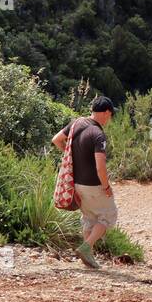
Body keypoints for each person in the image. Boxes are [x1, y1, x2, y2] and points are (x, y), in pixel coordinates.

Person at [52, 96, 116, 269]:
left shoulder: (77, 123)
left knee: (89, 218)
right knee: (108, 215)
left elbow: (57, 139)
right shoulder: (98, 134)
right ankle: (86, 247)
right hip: (94, 184)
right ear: (106, 113)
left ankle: (88, 258)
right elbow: (100, 167)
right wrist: (107, 186)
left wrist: (71, 155)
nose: (109, 119)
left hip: (77, 183)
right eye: (110, 115)